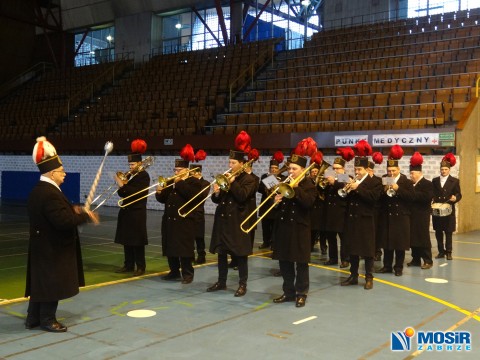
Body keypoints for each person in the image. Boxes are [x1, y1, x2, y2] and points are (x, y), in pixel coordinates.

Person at [25, 137, 99, 333]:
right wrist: (85, 216)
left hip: (42, 246)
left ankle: (33, 318)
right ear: (51, 173)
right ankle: (48, 319)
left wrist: (72, 211)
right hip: (52, 248)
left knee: (40, 284)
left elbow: (56, 215)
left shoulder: (40, 190)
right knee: (51, 284)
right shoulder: (49, 193)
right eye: (61, 171)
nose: (64, 174)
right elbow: (63, 222)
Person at [207, 135, 257, 297]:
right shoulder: (227, 178)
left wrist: (233, 182)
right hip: (223, 221)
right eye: (229, 162)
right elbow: (218, 200)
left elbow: (242, 196)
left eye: (233, 163)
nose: (230, 165)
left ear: (242, 164)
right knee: (222, 253)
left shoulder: (250, 180)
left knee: (241, 255)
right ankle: (222, 281)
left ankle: (243, 284)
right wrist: (216, 193)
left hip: (238, 221)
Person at [272, 153, 317, 307]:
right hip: (284, 228)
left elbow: (308, 203)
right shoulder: (285, 183)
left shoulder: (309, 184)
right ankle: (288, 292)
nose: (290, 171)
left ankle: (301, 293)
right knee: (284, 262)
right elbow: (279, 209)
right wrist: (276, 202)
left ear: (303, 170)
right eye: (289, 168)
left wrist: (296, 189)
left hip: (300, 229)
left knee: (301, 263)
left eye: (294, 168)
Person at [156, 146, 202, 284]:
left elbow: (191, 196)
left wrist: (179, 182)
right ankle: (174, 271)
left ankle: (188, 274)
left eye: (179, 170)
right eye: (175, 170)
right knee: (170, 247)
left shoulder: (194, 182)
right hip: (169, 220)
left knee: (184, 249)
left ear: (187, 170)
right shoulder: (172, 181)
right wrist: (160, 192)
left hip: (184, 220)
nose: (176, 172)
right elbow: (164, 199)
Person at [341, 155, 382, 290]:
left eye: (359, 169)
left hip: (366, 220)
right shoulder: (353, 181)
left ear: (366, 169)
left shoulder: (375, 182)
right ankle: (353, 275)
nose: (357, 172)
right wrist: (347, 190)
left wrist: (357, 188)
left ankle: (369, 277)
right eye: (355, 169)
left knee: (367, 250)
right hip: (352, 220)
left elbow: (373, 198)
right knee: (353, 249)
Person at [114, 139, 150, 276]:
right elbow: (121, 194)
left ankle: (140, 266)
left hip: (137, 212)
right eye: (129, 164)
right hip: (127, 210)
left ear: (140, 164)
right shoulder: (130, 176)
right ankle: (128, 265)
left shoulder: (143, 176)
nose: (130, 166)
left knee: (137, 241)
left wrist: (123, 185)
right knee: (127, 240)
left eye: (133, 164)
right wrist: (122, 186)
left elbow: (135, 193)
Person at [377, 145, 414, 277]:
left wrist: (398, 189)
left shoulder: (406, 181)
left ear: (398, 169)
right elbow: (380, 198)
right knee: (387, 243)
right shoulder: (384, 178)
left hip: (401, 217)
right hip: (387, 215)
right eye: (389, 170)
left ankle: (398, 267)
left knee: (399, 244)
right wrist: (383, 190)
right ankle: (387, 265)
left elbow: (411, 197)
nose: (391, 173)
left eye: (393, 170)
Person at [323, 148, 353, 268]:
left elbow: (343, 187)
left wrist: (332, 182)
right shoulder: (329, 177)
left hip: (341, 212)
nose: (335, 170)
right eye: (334, 168)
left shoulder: (346, 177)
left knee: (344, 238)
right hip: (330, 212)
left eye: (337, 168)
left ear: (343, 169)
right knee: (331, 237)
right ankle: (333, 258)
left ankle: (345, 259)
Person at [431, 153, 462, 260]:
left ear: (449, 170)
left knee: (448, 232)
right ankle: (441, 251)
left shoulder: (455, 181)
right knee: (438, 232)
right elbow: (432, 193)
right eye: (442, 169)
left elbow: (459, 194)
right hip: (437, 211)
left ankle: (449, 252)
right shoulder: (434, 181)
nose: (443, 171)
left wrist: (455, 198)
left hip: (448, 211)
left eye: (445, 169)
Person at [408, 152, 434, 269]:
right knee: (413, 238)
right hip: (412, 215)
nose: (411, 176)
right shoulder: (411, 185)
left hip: (422, 215)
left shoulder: (427, 184)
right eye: (410, 173)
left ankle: (428, 260)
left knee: (423, 238)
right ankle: (416, 259)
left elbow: (426, 198)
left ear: (419, 173)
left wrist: (412, 193)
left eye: (413, 173)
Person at [257, 152, 284, 250]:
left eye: (276, 168)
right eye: (272, 168)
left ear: (278, 169)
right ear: (269, 168)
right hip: (265, 205)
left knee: (274, 227)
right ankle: (266, 242)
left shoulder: (282, 177)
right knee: (265, 226)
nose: (273, 169)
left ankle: (273, 243)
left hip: (276, 206)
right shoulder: (264, 176)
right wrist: (271, 182)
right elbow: (260, 188)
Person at [189, 163, 210, 265]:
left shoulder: (205, 183)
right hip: (189, 211)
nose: (190, 175)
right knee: (189, 236)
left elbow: (201, 196)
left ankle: (201, 256)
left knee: (199, 236)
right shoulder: (189, 182)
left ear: (198, 173)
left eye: (192, 173)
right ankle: (190, 255)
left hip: (198, 212)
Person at [367, 154, 383, 262]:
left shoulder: (378, 180)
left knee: (376, 232)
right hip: (366, 210)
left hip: (376, 211)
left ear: (370, 170)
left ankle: (377, 252)